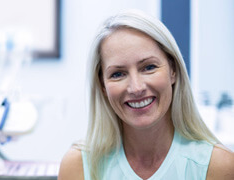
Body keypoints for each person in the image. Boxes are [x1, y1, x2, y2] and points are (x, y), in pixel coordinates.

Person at [58, 9, 234, 180]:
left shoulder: (217, 165)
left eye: (149, 67)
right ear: (102, 85)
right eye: (118, 74)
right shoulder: (78, 166)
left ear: (173, 70)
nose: (136, 88)